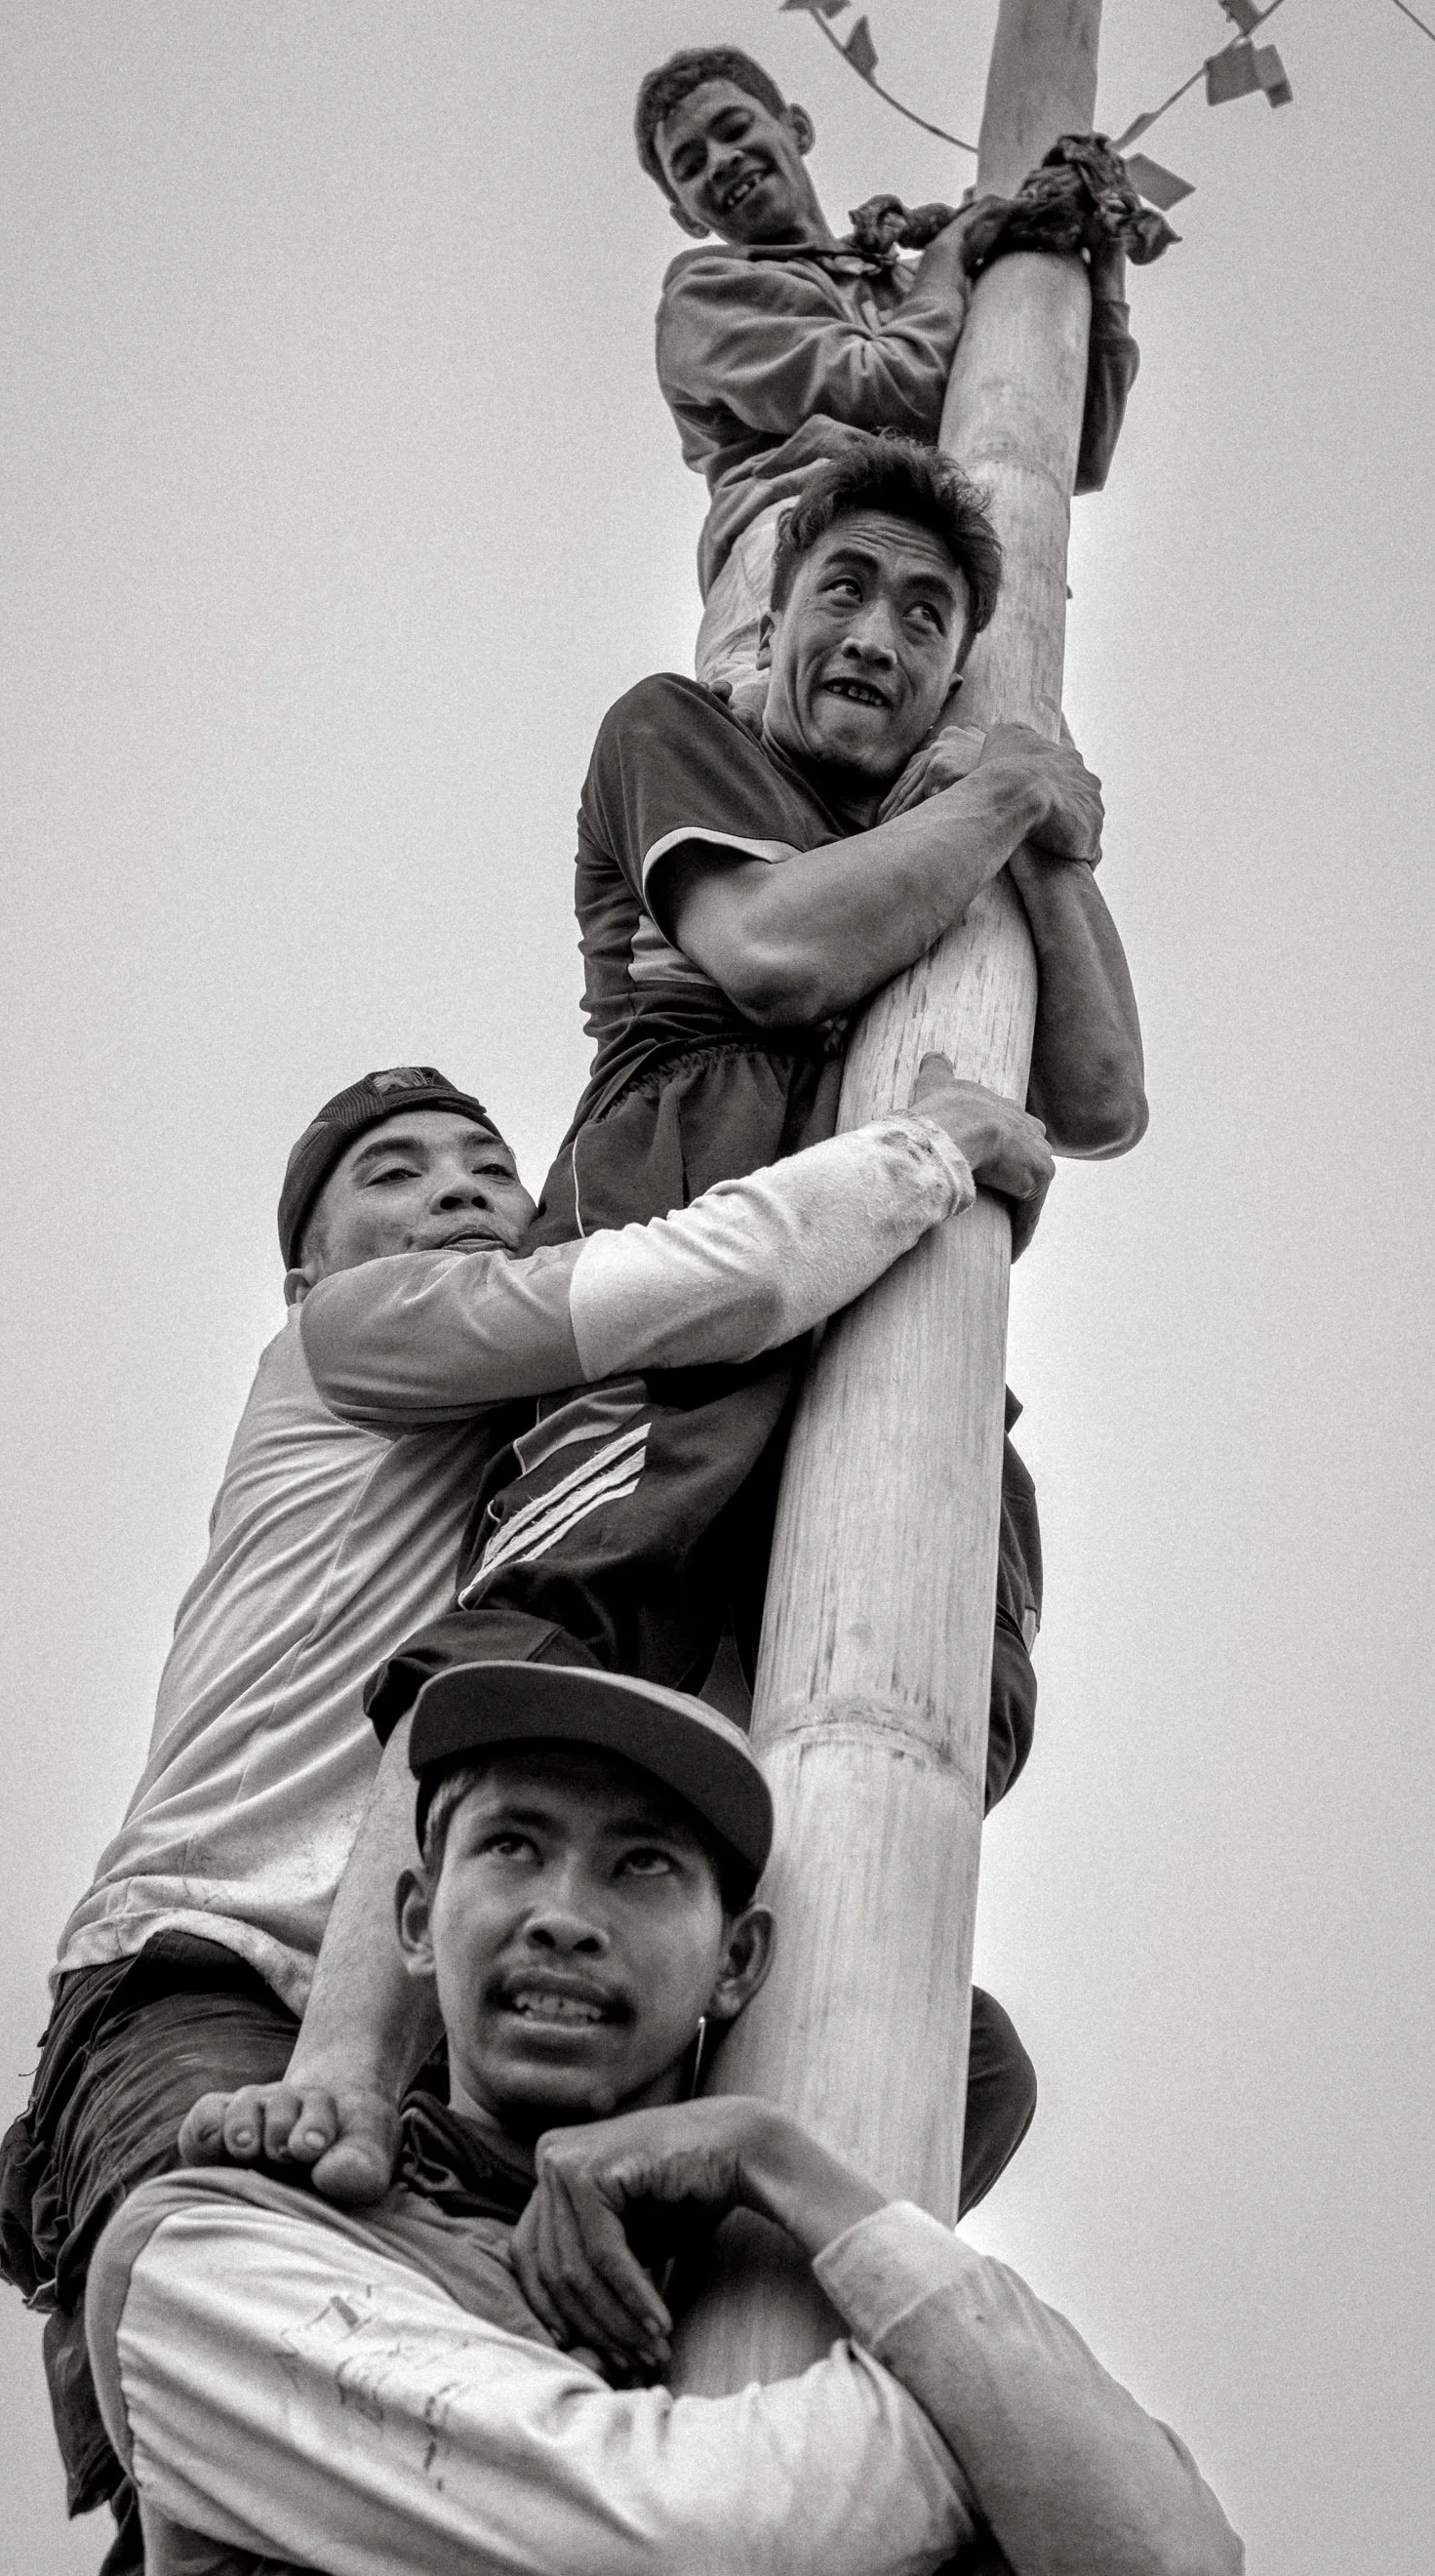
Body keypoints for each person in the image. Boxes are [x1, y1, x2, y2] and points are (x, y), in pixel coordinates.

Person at [0, 1055, 1056, 2576]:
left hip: (449, 2012)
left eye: (483, 1163)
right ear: (308, 1267)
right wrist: (925, 1155)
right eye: (398, 1175)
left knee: (947, 2062)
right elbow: (706, 1274)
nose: (456, 1192)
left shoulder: (541, 1466)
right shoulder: (345, 1342)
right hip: (212, 1965)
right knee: (239, 2386)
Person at [86, 1661, 1245, 2576]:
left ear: (737, 1962)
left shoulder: (780, 2291)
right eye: (513, 1847)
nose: (563, 1914)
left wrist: (776, 2157)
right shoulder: (212, 2250)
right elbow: (691, 2551)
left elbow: (1165, 2572)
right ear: (413, 1922)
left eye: (641, 1863)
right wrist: (990, 2434)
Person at [364, 436, 1144, 1840]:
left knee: (929, 1687)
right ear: (777, 611)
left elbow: (1099, 1099)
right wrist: (999, 800)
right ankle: (364, 2041)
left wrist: (1032, 831)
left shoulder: (956, 827)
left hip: (898, 1253)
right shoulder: (680, 730)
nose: (876, 635)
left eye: (925, 617)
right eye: (845, 589)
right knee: (568, 1626)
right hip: (689, 1178)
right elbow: (772, 952)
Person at [634, 44, 1141, 694]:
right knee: (769, 768)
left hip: (951, 585)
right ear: (684, 213)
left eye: (734, 129)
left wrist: (1101, 258)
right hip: (803, 547)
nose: (722, 159)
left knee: (1012, 783)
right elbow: (891, 390)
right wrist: (949, 255)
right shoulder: (710, 291)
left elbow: (1076, 448)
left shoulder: (918, 287)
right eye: (691, 163)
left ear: (795, 127)